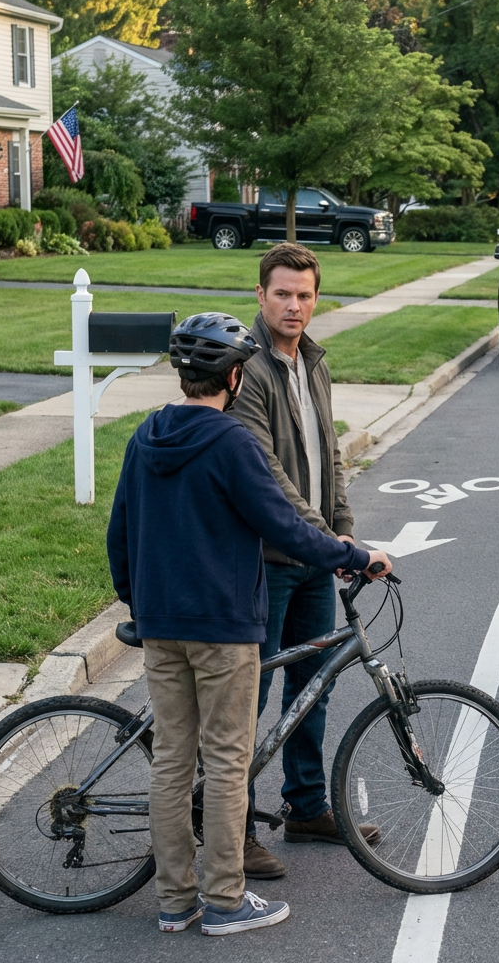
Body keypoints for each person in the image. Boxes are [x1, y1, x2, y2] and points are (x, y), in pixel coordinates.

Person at [107, 312, 391, 936]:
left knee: (172, 763)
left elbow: (119, 532)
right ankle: (226, 900)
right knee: (227, 763)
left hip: (162, 627)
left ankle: (176, 901)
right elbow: (283, 525)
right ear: (234, 377)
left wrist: (138, 604)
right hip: (223, 626)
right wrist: (352, 554)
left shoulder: (146, 434)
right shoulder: (231, 442)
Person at [231, 242, 372, 880]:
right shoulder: (248, 370)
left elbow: (328, 455)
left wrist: (342, 531)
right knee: (248, 699)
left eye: (304, 295)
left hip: (314, 558)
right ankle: (232, 830)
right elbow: (268, 478)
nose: (294, 305)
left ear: (316, 299)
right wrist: (333, 545)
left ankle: (307, 807)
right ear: (260, 295)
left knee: (314, 686)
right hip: (266, 560)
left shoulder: (313, 361)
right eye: (283, 294)